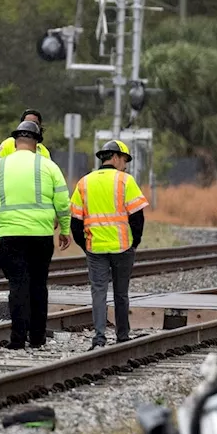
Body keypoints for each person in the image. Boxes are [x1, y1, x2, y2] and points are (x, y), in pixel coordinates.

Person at [0, 120, 72, 350]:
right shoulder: (49, 166)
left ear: (15, 141)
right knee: (38, 286)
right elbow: (62, 200)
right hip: (41, 235)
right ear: (37, 142)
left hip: (10, 235)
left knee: (17, 286)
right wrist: (65, 228)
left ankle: (17, 339)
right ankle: (38, 338)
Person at [71, 140, 149, 350]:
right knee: (121, 293)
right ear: (115, 157)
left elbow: (75, 222)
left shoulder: (84, 182)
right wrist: (134, 242)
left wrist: (85, 245)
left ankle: (99, 337)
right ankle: (122, 335)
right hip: (123, 247)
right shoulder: (125, 181)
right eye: (124, 160)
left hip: (95, 248)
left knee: (98, 292)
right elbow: (137, 217)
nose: (125, 164)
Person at [0, 109, 52, 296]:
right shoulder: (8, 144)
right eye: (27, 122)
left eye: (35, 123)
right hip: (11, 197)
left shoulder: (43, 151)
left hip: (34, 201)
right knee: (10, 240)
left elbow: (50, 177)